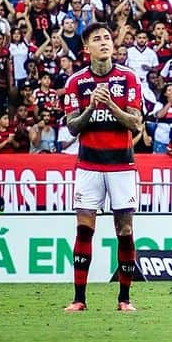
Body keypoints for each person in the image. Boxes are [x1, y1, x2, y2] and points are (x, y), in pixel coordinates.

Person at [61, 23, 143, 313]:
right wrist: (89, 109)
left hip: (122, 165)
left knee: (125, 230)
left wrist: (110, 106)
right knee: (84, 230)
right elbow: (72, 127)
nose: (104, 42)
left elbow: (135, 122)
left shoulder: (128, 78)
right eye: (97, 39)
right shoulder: (76, 82)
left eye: (107, 38)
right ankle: (79, 299)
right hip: (89, 165)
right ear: (87, 49)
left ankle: (124, 299)